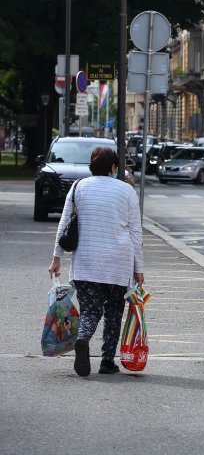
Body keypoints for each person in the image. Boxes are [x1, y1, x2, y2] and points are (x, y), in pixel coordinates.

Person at [49, 147, 144, 376]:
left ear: (92, 165)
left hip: (86, 262)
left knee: (90, 310)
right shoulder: (127, 190)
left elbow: (65, 225)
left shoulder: (78, 187)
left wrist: (56, 258)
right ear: (113, 167)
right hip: (118, 264)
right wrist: (139, 269)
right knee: (113, 312)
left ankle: (82, 338)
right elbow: (135, 233)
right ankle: (107, 362)